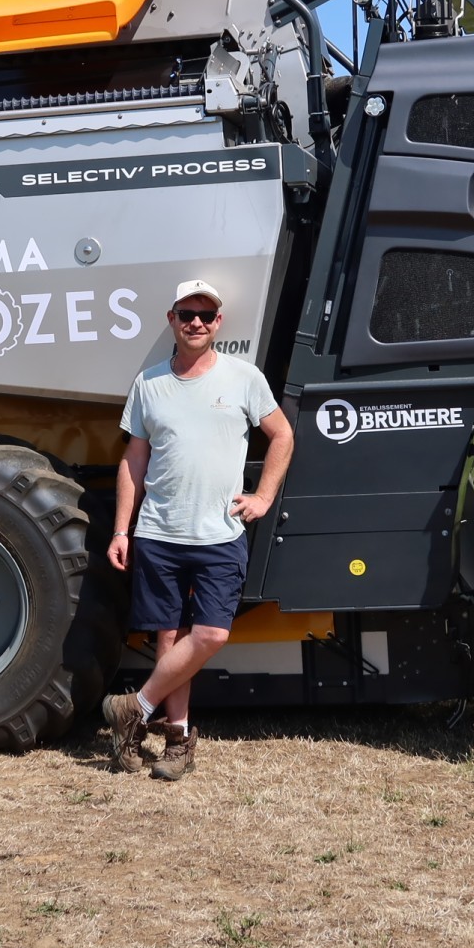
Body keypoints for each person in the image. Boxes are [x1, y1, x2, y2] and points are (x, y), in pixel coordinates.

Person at [101, 279, 294, 781]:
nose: (196, 323)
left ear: (218, 324)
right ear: (171, 319)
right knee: (170, 638)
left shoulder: (244, 378)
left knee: (209, 633)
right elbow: (134, 460)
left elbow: (282, 435)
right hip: (159, 532)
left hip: (219, 534)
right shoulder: (150, 384)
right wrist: (122, 529)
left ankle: (135, 708)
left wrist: (264, 497)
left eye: (206, 316)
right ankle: (179, 741)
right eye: (187, 313)